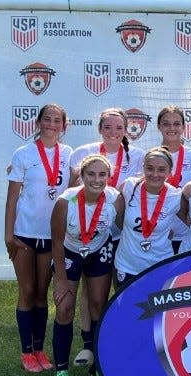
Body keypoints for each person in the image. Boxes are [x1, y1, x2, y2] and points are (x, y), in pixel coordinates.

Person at [68, 108, 144, 362]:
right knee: (91, 289)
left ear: (126, 131)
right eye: (108, 127)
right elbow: (70, 192)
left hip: (124, 232)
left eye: (119, 128)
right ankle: (89, 345)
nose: (113, 133)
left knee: (121, 286)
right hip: (91, 232)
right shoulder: (84, 153)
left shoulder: (138, 156)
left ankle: (121, 337)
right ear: (100, 128)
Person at [5, 103, 73, 372]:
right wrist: (8, 235)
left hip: (51, 235)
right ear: (38, 123)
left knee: (42, 295)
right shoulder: (23, 154)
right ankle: (26, 352)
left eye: (57, 120)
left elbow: (83, 180)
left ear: (64, 126)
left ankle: (39, 349)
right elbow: (12, 200)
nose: (52, 124)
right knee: (27, 291)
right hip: (24, 234)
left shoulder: (69, 154)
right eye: (47, 119)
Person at [49, 155, 123, 376]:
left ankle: (96, 362)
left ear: (109, 177)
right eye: (91, 174)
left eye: (102, 175)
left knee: (98, 304)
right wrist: (60, 280)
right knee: (64, 307)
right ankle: (61, 370)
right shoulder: (65, 201)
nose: (96, 179)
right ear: (82, 176)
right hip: (69, 252)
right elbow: (57, 242)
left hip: (98, 249)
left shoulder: (115, 199)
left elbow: (122, 229)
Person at [113, 147, 182, 289]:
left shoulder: (176, 196)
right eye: (150, 168)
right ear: (143, 168)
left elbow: (188, 220)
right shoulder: (129, 186)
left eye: (162, 169)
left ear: (170, 172)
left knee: (156, 311)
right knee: (126, 309)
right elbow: (119, 220)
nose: (155, 174)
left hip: (160, 264)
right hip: (127, 264)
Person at [156, 105, 191, 253]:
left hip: (187, 232)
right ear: (159, 127)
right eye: (166, 124)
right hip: (159, 233)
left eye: (177, 124)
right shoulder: (152, 156)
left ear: (183, 127)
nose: (172, 128)